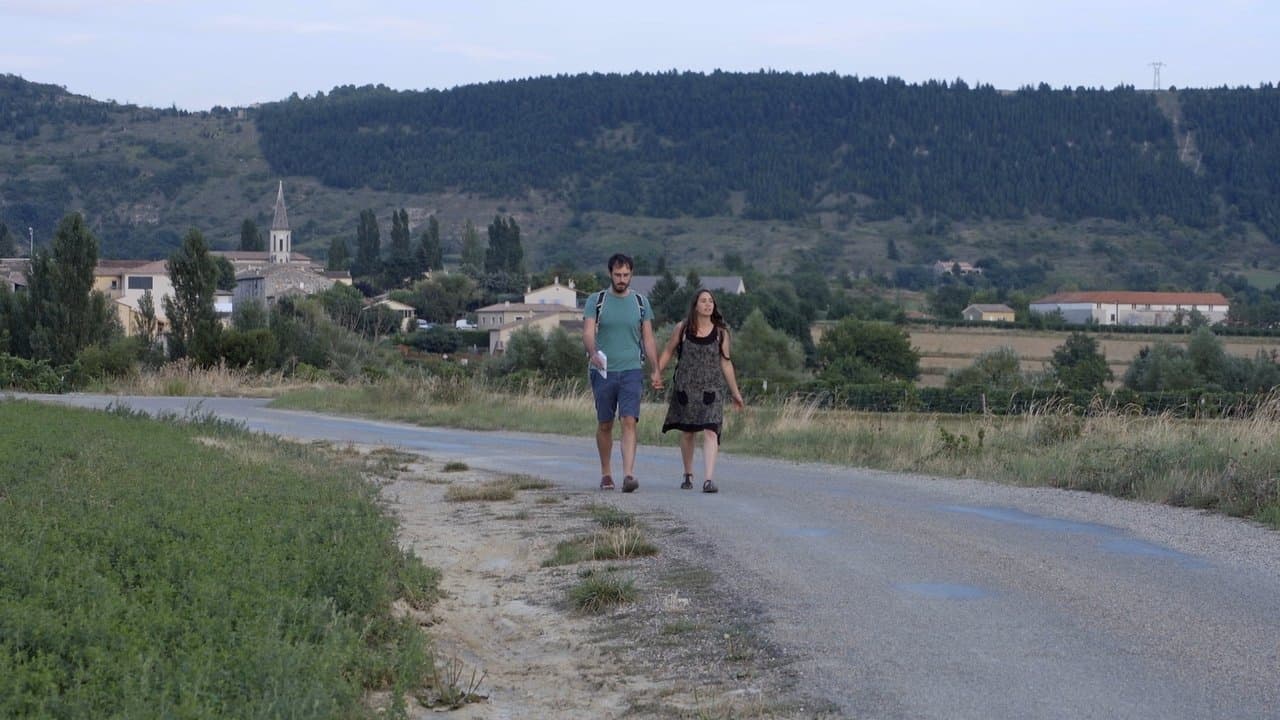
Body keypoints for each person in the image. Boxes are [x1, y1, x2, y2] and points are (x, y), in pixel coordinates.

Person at [582, 253, 662, 492]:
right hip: (604, 370)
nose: (622, 279)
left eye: (626, 275)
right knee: (605, 423)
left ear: (631, 274)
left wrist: (656, 368)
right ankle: (606, 473)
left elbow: (648, 339)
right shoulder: (596, 301)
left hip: (631, 370)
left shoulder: (641, 302)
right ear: (610, 274)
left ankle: (628, 474)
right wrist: (592, 351)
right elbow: (587, 332)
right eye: (617, 275)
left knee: (629, 420)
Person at [656, 289, 745, 493]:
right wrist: (657, 373)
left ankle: (708, 479)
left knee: (711, 430)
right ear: (695, 305)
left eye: (711, 301)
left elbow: (726, 363)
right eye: (703, 301)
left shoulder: (721, 333)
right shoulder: (683, 329)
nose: (708, 304)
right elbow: (669, 350)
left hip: (712, 388)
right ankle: (688, 474)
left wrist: (735, 392)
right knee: (688, 432)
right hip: (686, 388)